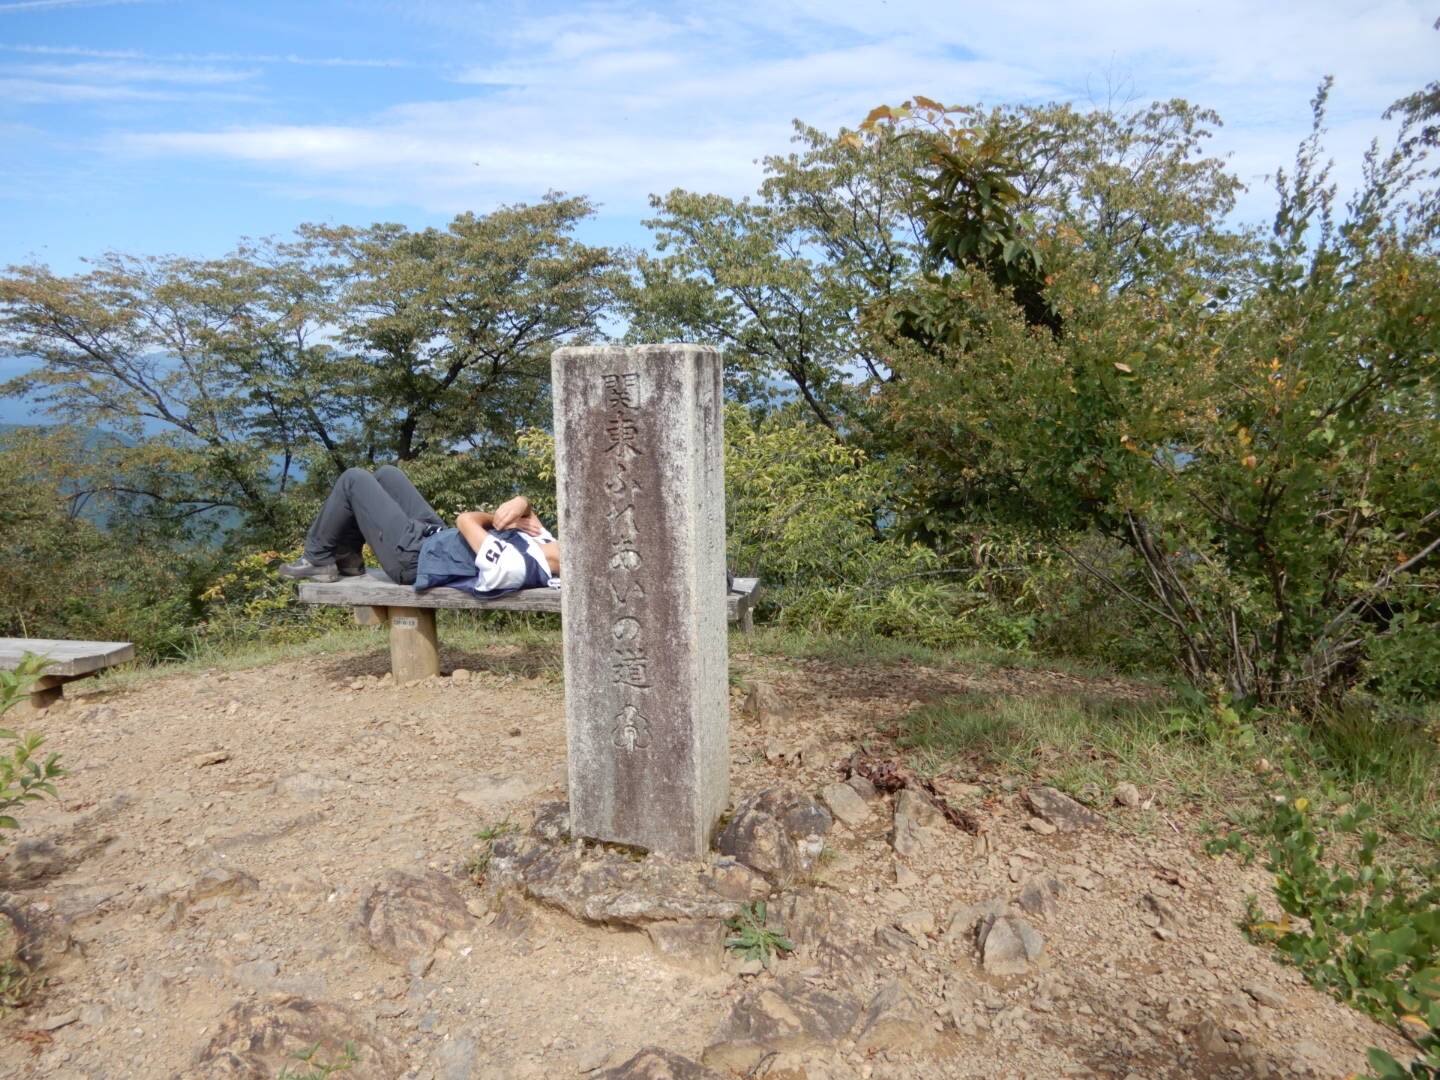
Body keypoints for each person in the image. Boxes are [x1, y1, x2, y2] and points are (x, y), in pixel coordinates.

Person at [278, 465, 559, 598]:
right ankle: (348, 557)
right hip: (436, 538)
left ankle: (318, 559)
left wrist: (495, 518)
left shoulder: (517, 566)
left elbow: (466, 521)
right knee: (388, 475)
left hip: (414, 559)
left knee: (354, 480)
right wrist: (521, 503)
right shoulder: (546, 543)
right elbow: (527, 513)